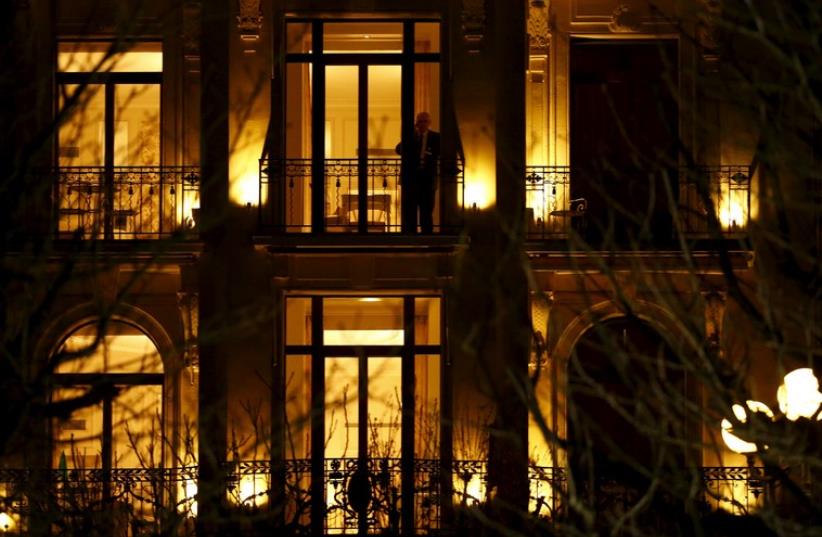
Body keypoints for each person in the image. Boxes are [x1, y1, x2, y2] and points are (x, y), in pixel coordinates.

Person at [396, 112, 441, 233]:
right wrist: (410, 135)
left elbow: (440, 152)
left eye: (424, 121)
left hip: (427, 178)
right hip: (412, 179)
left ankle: (427, 237)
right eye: (420, 121)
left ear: (429, 123)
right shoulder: (411, 136)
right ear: (416, 123)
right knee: (410, 209)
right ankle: (411, 236)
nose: (422, 124)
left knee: (426, 210)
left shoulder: (436, 137)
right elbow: (399, 150)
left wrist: (430, 155)